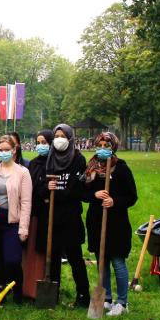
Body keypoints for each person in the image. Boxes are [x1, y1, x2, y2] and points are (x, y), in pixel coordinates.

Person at [84, 131, 138, 317]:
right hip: (96, 221)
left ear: (113, 147)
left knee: (117, 261)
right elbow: (82, 193)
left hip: (116, 223)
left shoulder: (121, 169)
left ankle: (122, 302)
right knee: (101, 262)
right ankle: (105, 299)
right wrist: (94, 195)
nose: (102, 149)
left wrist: (114, 201)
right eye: (99, 146)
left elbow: (132, 197)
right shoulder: (91, 169)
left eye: (106, 146)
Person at [42, 124, 91, 307]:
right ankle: (52, 293)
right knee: (53, 257)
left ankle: (83, 295)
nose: (59, 139)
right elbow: (44, 184)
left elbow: (74, 189)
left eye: (63, 135)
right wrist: (48, 190)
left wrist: (56, 193)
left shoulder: (78, 159)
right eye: (57, 135)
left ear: (70, 138)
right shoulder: (50, 158)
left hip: (70, 217)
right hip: (53, 217)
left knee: (75, 257)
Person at [0, 136, 32, 302]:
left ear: (14, 150)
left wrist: (23, 228)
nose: (3, 153)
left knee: (12, 259)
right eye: (0, 150)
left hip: (12, 222)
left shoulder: (23, 172)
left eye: (6, 150)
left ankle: (17, 291)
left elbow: (26, 202)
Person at [21, 130, 53, 300]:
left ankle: (39, 288)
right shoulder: (33, 163)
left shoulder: (55, 163)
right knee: (30, 249)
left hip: (47, 215)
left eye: (44, 142)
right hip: (33, 212)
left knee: (43, 251)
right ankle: (27, 287)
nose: (40, 145)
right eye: (38, 142)